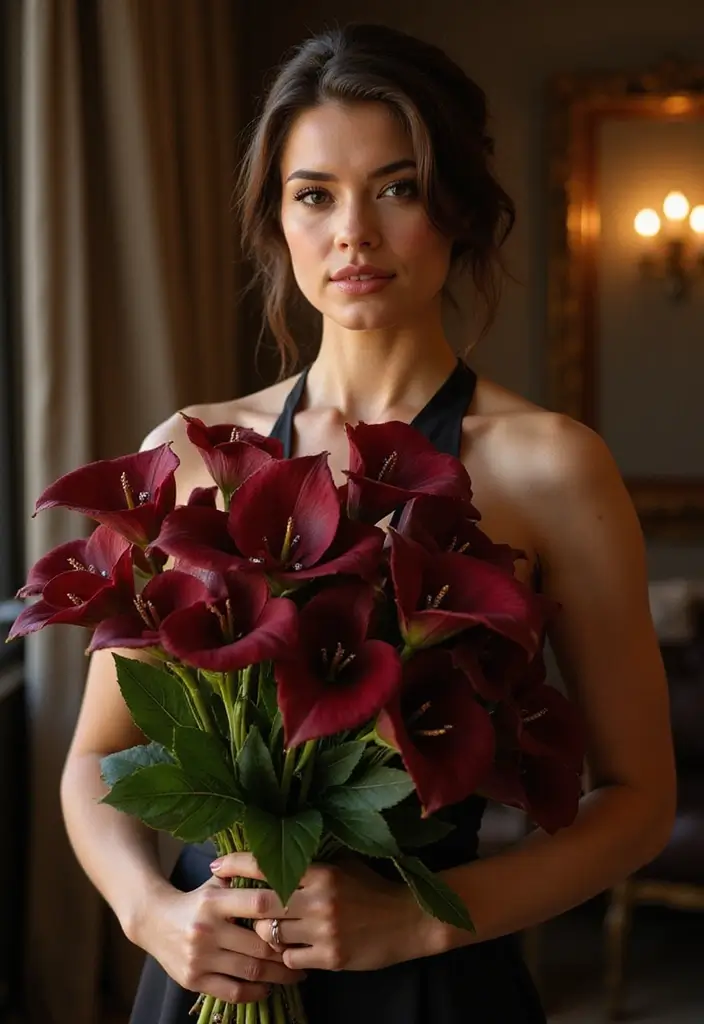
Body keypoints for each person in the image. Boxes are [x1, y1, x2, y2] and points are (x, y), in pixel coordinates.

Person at [60, 23, 676, 1024]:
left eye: (394, 187)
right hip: (207, 971)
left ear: (460, 210)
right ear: (276, 220)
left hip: (433, 981)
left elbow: (638, 800)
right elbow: (96, 759)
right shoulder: (189, 448)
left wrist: (428, 918)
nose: (352, 232)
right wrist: (151, 914)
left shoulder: (554, 466)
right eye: (314, 194)